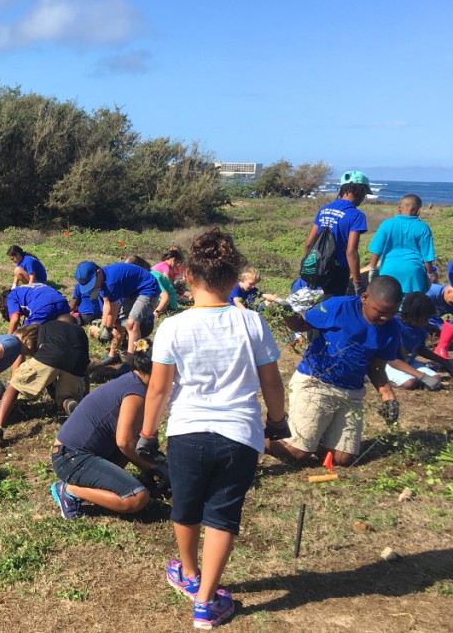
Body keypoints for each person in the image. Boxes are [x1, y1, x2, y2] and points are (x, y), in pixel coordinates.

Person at [137, 229, 288, 630]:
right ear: (235, 277)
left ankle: (189, 574)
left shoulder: (172, 327)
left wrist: (148, 435)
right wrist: (277, 420)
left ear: (187, 278)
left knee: (185, 505)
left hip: (187, 432)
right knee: (222, 514)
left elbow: (158, 389)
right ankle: (205, 603)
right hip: (240, 434)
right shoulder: (252, 322)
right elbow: (271, 382)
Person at [265, 275, 403, 468]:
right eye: (381, 312)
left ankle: (313, 437)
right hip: (316, 382)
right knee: (297, 453)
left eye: (392, 313)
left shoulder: (391, 328)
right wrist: (285, 309)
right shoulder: (338, 307)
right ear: (365, 297)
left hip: (350, 392)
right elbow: (300, 324)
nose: (386, 318)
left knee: (343, 459)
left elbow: (376, 367)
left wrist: (387, 396)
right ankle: (250, 438)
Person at [50, 341, 160, 520]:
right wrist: (153, 468)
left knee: (141, 444)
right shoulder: (136, 392)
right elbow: (125, 443)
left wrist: (152, 465)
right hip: (70, 458)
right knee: (137, 498)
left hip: (83, 452)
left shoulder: (134, 380)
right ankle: (69, 491)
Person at [0, 316, 89, 446]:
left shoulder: (47, 325)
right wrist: (85, 397)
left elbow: (43, 351)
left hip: (51, 355)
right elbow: (85, 368)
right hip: (77, 364)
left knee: (14, 386)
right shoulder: (81, 333)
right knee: (67, 396)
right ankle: (68, 402)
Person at [303, 170, 371, 296]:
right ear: (360, 191)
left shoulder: (324, 209)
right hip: (338, 271)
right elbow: (351, 251)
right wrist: (357, 281)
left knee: (314, 304)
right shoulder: (356, 215)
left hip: (317, 266)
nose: (363, 198)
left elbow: (309, 244)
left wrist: (310, 266)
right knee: (333, 306)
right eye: (365, 193)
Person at [75, 261, 159, 363]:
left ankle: (130, 362)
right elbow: (106, 304)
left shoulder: (111, 282)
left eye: (91, 284)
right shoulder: (101, 282)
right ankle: (113, 355)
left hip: (147, 289)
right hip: (132, 292)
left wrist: (108, 328)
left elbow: (113, 309)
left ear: (99, 272)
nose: (92, 287)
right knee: (119, 324)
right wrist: (103, 326)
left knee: (131, 325)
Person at [367, 194, 435, 295]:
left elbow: (376, 250)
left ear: (399, 208)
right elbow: (427, 257)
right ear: (419, 210)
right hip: (413, 272)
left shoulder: (387, 224)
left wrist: (372, 269)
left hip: (388, 270)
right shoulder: (423, 228)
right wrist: (429, 274)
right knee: (412, 305)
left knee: (387, 304)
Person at [384, 292, 446, 390]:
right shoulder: (394, 326)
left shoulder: (420, 327)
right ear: (413, 316)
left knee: (436, 378)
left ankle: (416, 381)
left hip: (409, 362)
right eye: (424, 319)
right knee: (409, 383)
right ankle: (381, 379)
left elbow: (421, 349)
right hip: (388, 364)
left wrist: (444, 361)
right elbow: (392, 360)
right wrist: (422, 376)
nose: (426, 322)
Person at [0, 283, 71, 334]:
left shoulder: (11, 296)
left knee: (22, 337)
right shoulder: (29, 286)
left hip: (43, 307)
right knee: (62, 334)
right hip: (62, 301)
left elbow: (15, 318)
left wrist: (9, 340)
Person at [427, 283, 453, 359]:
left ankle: (441, 349)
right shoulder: (430, 293)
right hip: (422, 321)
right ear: (449, 292)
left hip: (437, 323)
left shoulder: (450, 299)